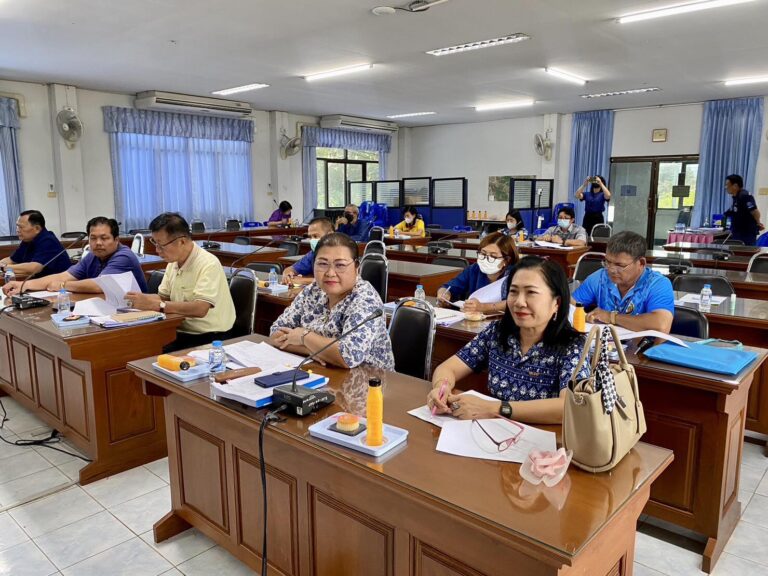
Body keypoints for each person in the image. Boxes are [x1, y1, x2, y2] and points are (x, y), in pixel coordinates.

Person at [428, 257, 589, 424]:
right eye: (513, 292)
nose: (519, 302)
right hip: (491, 433)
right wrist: (441, 388)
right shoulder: (497, 332)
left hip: (542, 441)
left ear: (556, 302)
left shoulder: (572, 346)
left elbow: (570, 407)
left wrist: (495, 408)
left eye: (531, 292)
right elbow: (448, 368)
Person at [270, 232, 394, 370]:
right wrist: (311, 351)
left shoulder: (366, 299)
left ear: (356, 267)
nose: (330, 273)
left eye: (340, 265)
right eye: (322, 264)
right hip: (321, 371)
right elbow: (276, 333)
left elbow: (348, 356)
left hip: (368, 381)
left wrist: (304, 336)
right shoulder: (312, 291)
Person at [125, 213, 235, 352]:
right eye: (154, 243)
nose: (157, 250)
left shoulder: (208, 263)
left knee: (149, 356)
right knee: (135, 348)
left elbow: (200, 308)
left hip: (209, 337)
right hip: (177, 330)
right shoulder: (174, 261)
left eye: (161, 245)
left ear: (182, 241)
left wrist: (158, 305)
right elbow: (164, 297)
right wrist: (138, 299)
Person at [3, 217, 148, 295]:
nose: (98, 243)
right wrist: (24, 285)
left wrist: (62, 286)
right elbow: (62, 276)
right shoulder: (92, 256)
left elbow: (99, 285)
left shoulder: (123, 256)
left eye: (104, 238)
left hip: (136, 313)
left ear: (116, 240)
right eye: (93, 238)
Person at [572, 231, 673, 333]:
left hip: (642, 347)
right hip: (603, 344)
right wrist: (582, 316)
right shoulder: (600, 277)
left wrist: (611, 317)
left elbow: (661, 324)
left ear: (641, 263)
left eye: (620, 265)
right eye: (607, 262)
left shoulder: (657, 284)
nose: (611, 270)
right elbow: (571, 304)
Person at [437, 232, 518, 315]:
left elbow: (515, 301)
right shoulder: (474, 269)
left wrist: (484, 307)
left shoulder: (516, 274)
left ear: (506, 260)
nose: (486, 259)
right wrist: (444, 294)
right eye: (483, 254)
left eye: (493, 256)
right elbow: (450, 286)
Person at [0, 210, 71, 278]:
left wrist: (4, 267)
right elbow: (12, 260)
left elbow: (34, 268)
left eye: (21, 227)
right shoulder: (27, 240)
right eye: (17, 226)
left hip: (59, 285)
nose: (17, 230)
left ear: (37, 228)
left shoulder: (48, 241)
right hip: (39, 282)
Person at [281, 217, 334, 284]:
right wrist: (287, 275)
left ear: (330, 235)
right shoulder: (313, 254)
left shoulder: (342, 254)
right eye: (310, 237)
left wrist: (303, 280)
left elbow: (333, 280)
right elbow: (291, 269)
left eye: (315, 236)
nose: (312, 240)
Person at [724, 174, 763, 246]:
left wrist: (758, 223)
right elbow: (733, 211)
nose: (725, 187)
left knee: (745, 254)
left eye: (727, 185)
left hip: (746, 233)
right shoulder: (736, 197)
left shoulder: (745, 195)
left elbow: (755, 211)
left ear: (735, 186)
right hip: (738, 232)